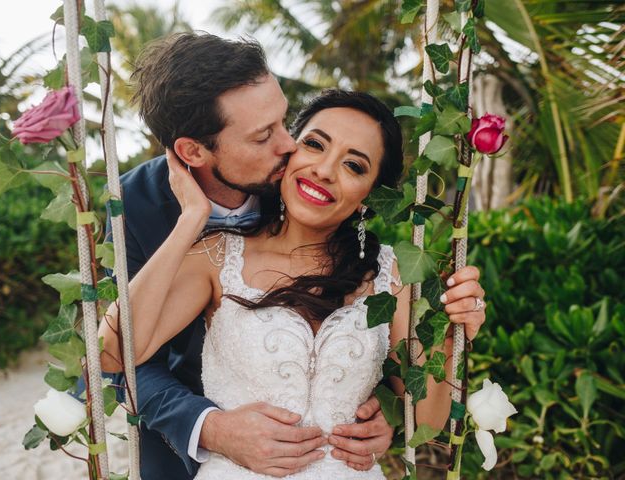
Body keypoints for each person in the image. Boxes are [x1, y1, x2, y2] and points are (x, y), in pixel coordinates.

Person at [100, 89, 486, 479]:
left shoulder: (391, 274)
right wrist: (191, 220)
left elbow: (428, 420)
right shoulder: (216, 257)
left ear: (368, 196)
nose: (324, 170)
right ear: (288, 154)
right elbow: (113, 354)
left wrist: (452, 331)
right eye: (315, 145)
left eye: (354, 166)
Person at [107, 32, 397, 479]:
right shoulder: (131, 206)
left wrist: (382, 415)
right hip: (188, 445)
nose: (289, 145)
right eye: (264, 135)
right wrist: (212, 428)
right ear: (193, 152)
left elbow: (366, 333)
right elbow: (117, 358)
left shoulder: (307, 187)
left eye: (286, 122)